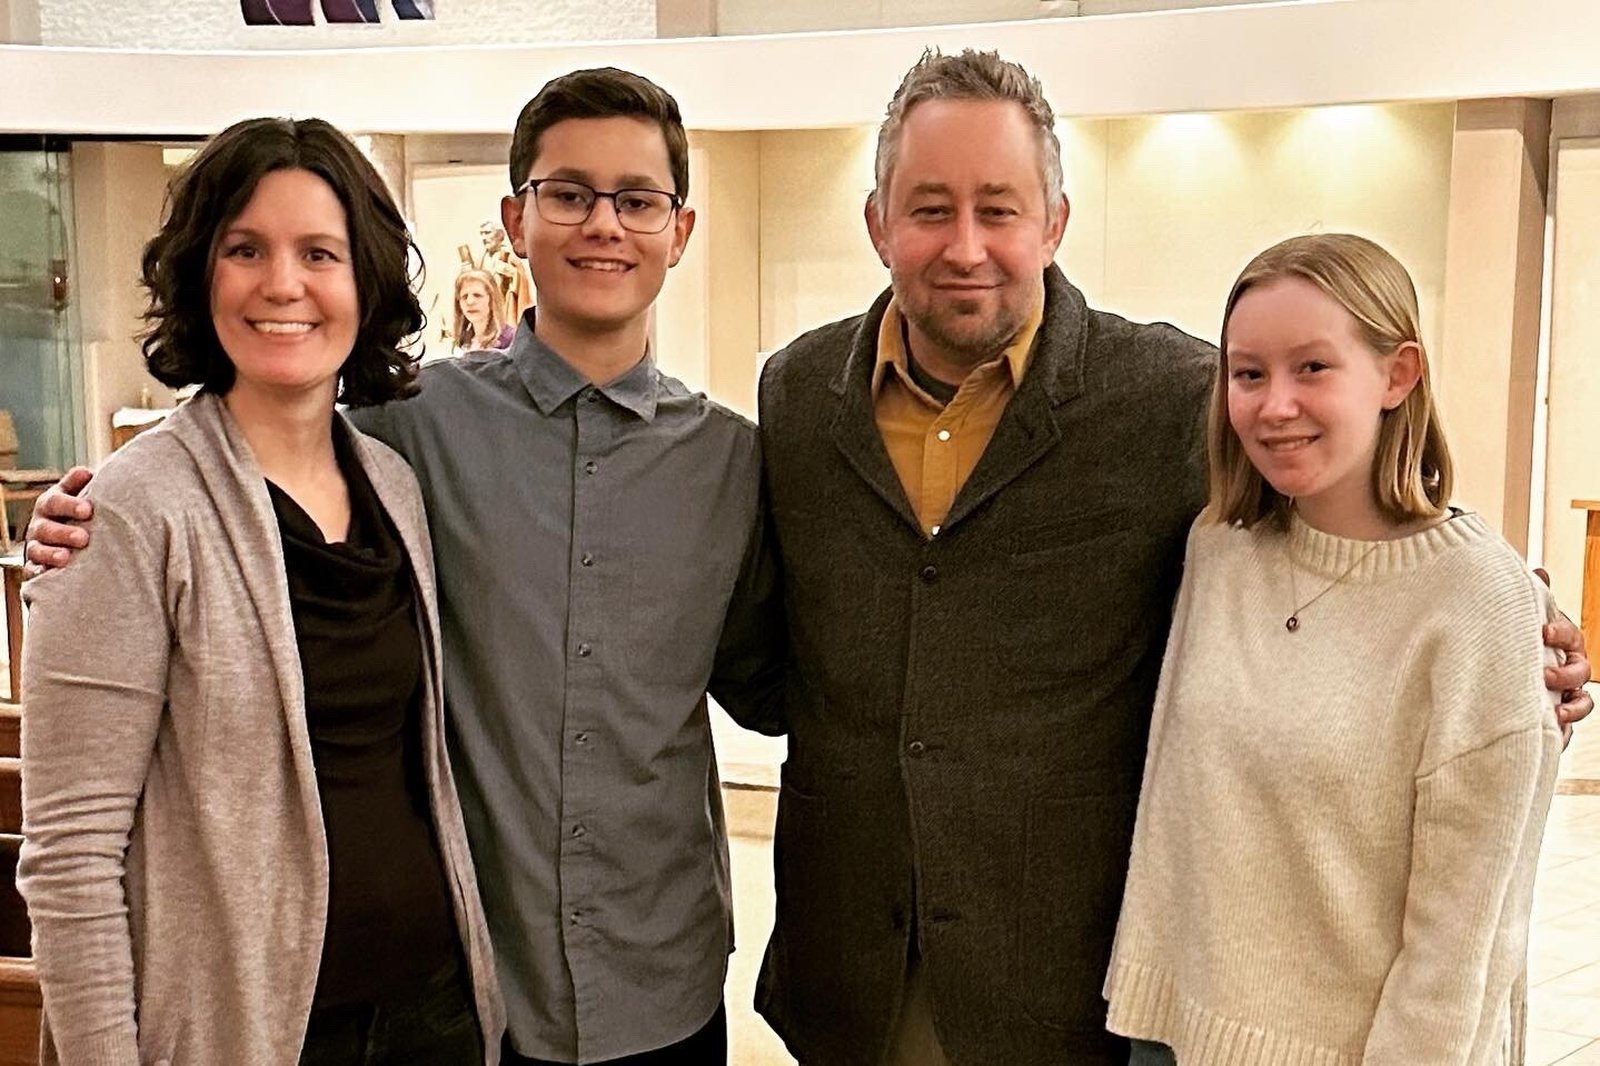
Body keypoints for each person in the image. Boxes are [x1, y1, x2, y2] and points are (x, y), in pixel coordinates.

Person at [753, 48, 1592, 1066]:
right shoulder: (796, 394)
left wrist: (1511, 614)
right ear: (877, 220)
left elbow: (1340, 490)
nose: (965, 245)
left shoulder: (1167, 395)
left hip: (1066, 986)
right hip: (845, 974)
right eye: (929, 208)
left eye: (1000, 208)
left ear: (1055, 222)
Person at [21, 68, 783, 1066]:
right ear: (515, 218)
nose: (603, 223)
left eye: (637, 199)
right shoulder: (415, 429)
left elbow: (770, 684)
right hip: (478, 991)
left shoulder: (730, 459)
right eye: (567, 194)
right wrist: (94, 511)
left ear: (678, 230)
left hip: (646, 984)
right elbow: (251, 425)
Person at [16, 117, 502, 1065]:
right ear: (203, 274)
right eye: (246, 250)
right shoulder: (133, 509)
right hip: (248, 1031)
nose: (283, 284)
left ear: (364, 283)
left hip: (430, 1010)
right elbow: (70, 860)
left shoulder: (393, 488)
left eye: (319, 253)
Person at [1106, 234, 1563, 1064]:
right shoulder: (1220, 552)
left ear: (1398, 374)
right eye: (1249, 374)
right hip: (1169, 1037)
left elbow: (1466, 940)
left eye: (1312, 368)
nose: (1274, 404)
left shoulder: (1478, 604)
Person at [475, 217, 536, 323]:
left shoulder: (509, 256)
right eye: (482, 234)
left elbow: (521, 280)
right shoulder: (480, 259)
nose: (484, 238)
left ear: (499, 235)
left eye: (487, 233)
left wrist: (511, 273)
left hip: (503, 308)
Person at [452, 268, 515, 353]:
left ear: (492, 300)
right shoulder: (463, 342)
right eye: (464, 296)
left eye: (477, 295)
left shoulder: (511, 340)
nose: (470, 302)